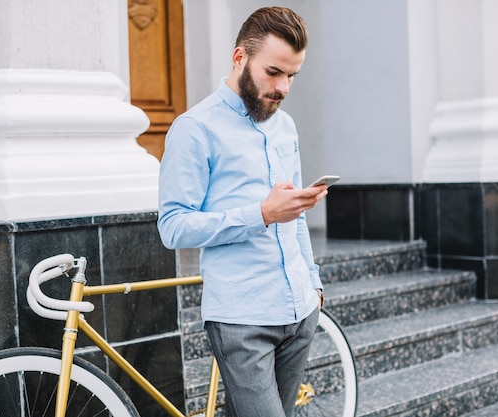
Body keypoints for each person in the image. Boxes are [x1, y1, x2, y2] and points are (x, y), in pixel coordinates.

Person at [157, 6, 327, 417]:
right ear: (239, 58)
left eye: (292, 76)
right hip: (242, 319)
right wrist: (262, 214)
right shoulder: (194, 128)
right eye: (273, 72)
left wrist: (314, 282)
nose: (283, 87)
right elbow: (173, 226)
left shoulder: (285, 127)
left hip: (300, 310)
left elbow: (296, 215)